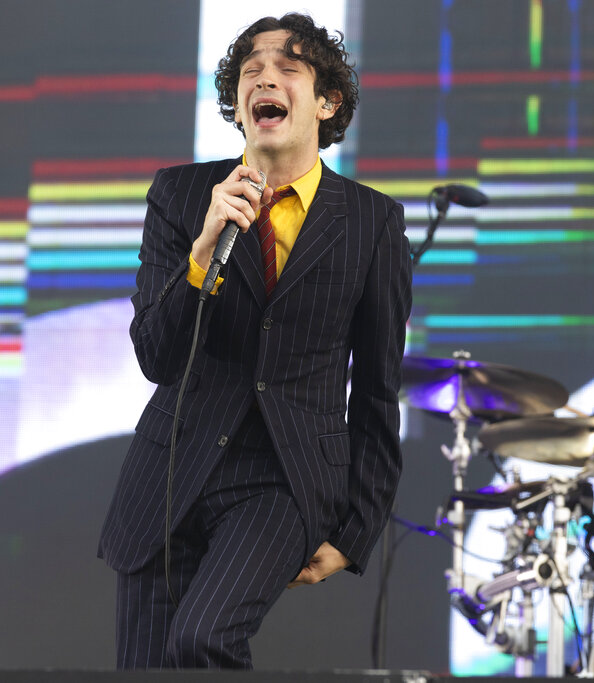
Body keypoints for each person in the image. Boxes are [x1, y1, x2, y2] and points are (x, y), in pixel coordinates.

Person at [97, 13, 412, 670]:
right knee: (149, 665)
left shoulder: (371, 221)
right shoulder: (182, 195)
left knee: (204, 638)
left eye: (288, 68)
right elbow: (156, 354)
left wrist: (356, 529)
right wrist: (201, 254)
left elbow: (379, 389)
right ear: (239, 106)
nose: (265, 77)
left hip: (284, 478)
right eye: (251, 72)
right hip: (172, 469)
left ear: (326, 104)